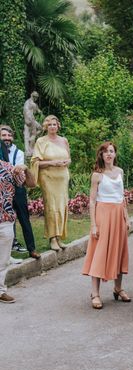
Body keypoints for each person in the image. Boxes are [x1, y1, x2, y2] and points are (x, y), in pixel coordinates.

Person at [82, 142, 131, 309]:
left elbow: (121, 196)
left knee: (119, 251)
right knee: (100, 253)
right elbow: (92, 200)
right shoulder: (97, 175)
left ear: (115, 154)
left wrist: (127, 217)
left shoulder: (120, 172)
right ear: (101, 156)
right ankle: (95, 294)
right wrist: (93, 225)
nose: (109, 154)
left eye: (111, 151)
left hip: (118, 215)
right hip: (103, 214)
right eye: (105, 152)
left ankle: (118, 288)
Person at [31, 115, 71, 252]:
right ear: (46, 127)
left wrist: (66, 162)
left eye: (54, 124)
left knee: (61, 206)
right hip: (48, 177)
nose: (52, 127)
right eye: (50, 125)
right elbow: (35, 162)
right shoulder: (41, 141)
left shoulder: (64, 140)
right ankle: (52, 238)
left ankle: (59, 236)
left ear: (58, 126)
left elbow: (69, 158)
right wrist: (52, 163)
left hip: (62, 177)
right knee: (51, 206)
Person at [0, 126, 39, 259]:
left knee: (24, 218)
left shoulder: (19, 152)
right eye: (3, 135)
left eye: (9, 135)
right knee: (6, 218)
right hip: (2, 191)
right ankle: (9, 248)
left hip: (17, 188)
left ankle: (32, 248)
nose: (6, 138)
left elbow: (19, 170)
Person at [0, 153, 34, 303]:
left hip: (6, 219)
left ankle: (1, 291)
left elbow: (31, 183)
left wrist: (26, 169)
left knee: (3, 260)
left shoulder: (8, 168)